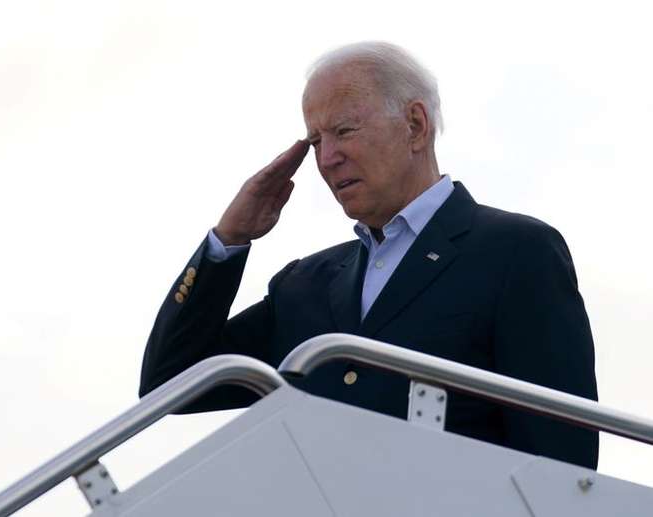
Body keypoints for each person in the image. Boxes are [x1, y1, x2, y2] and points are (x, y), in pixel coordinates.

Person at [139, 41, 599, 469]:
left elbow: (562, 462)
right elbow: (171, 386)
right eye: (316, 142)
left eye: (343, 131)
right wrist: (229, 240)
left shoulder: (516, 251)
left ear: (415, 126)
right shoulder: (305, 284)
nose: (326, 158)